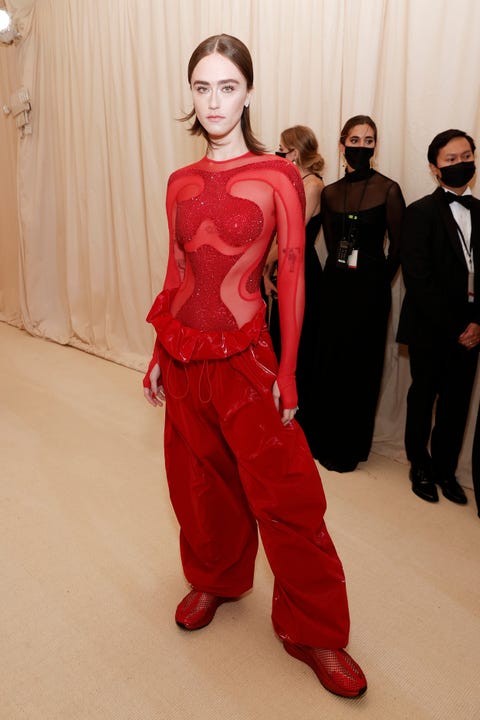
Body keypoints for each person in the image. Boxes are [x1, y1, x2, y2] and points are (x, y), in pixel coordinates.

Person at [143, 34, 366, 698]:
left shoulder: (276, 176)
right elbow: (177, 269)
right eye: (202, 87)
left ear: (248, 92)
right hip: (184, 354)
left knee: (289, 498)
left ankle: (315, 631)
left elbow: (292, 277)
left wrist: (289, 372)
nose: (214, 101)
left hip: (247, 358)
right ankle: (216, 579)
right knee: (199, 486)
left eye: (227, 87)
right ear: (191, 93)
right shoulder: (179, 181)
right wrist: (158, 351)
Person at [311, 115, 405, 472]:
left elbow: (398, 246)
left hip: (370, 291)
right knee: (331, 361)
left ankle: (351, 446)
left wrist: (380, 280)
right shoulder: (331, 192)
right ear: (341, 144)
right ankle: (324, 437)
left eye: (369, 141)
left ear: (375, 146)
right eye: (355, 139)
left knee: (362, 366)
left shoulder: (388, 189)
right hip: (335, 289)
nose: (361, 146)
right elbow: (334, 245)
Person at [397, 129, 480, 505]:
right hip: (431, 326)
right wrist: (454, 327)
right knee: (423, 396)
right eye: (451, 159)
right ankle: (419, 464)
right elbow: (418, 278)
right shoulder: (419, 212)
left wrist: (476, 323)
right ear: (434, 168)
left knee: (457, 402)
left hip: (472, 327)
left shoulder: (479, 211)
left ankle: (446, 470)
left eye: (467, 157)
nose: (461, 164)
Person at [263, 125, 324, 439]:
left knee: (295, 343)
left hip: (299, 267)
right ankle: (276, 414)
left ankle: (295, 420)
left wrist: (262, 261)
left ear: (296, 151)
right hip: (279, 265)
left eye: (282, 148)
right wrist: (263, 271)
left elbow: (291, 236)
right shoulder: (291, 180)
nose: (279, 153)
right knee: (276, 340)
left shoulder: (312, 184)